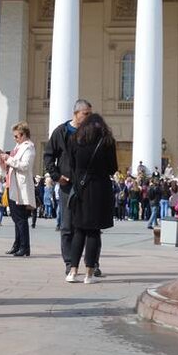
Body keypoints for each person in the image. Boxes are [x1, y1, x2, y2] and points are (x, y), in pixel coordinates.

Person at [65, 112, 118, 283]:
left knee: (79, 230)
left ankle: (72, 272)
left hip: (80, 188)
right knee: (93, 231)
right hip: (99, 189)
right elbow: (112, 168)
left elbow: (72, 165)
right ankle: (89, 273)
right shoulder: (107, 141)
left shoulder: (75, 139)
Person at [44, 97, 93, 278]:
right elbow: (48, 156)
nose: (88, 117)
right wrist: (57, 176)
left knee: (89, 225)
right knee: (67, 226)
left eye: (90, 114)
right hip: (67, 185)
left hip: (87, 185)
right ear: (76, 113)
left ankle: (91, 263)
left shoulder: (91, 133)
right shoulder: (61, 132)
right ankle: (69, 263)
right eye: (85, 114)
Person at [0, 121, 37, 257]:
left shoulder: (29, 147)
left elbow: (25, 166)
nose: (15, 139)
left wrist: (8, 159)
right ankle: (17, 244)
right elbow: (11, 165)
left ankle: (25, 246)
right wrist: (4, 161)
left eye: (17, 136)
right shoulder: (18, 147)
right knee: (15, 217)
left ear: (24, 135)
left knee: (20, 218)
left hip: (20, 186)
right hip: (12, 184)